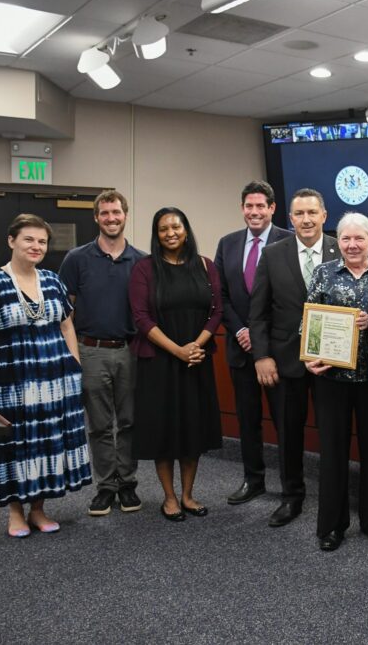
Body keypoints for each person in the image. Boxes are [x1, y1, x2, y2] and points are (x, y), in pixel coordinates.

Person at [0, 214, 92, 537]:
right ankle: (15, 513)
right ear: (11, 241)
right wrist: (7, 355)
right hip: (14, 383)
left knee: (48, 444)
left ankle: (38, 509)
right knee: (16, 445)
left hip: (56, 380)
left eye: (42, 241)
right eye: (29, 239)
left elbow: (66, 324)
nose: (36, 246)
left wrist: (73, 363)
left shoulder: (51, 280)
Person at [250, 188, 340, 527]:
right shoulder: (273, 254)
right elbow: (257, 313)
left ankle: (333, 499)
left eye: (312, 213)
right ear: (290, 218)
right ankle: (292, 497)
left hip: (332, 362)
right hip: (284, 362)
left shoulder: (340, 247)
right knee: (288, 434)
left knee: (332, 434)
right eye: (299, 214)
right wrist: (262, 356)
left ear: (323, 216)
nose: (306, 219)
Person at [128, 207, 223, 522]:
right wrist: (177, 351)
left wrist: (196, 345)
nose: (170, 233)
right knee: (164, 431)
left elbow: (216, 311)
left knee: (192, 430)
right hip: (159, 362)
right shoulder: (145, 269)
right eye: (163, 229)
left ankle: (188, 495)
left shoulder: (205, 266)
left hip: (196, 359)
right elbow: (141, 318)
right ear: (156, 235)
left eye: (176, 227)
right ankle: (169, 497)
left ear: (186, 229)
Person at [303, 212, 368, 551]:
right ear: (339, 243)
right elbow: (309, 318)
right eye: (346, 239)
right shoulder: (324, 272)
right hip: (331, 378)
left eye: (359, 238)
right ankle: (332, 526)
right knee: (333, 452)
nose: (352, 245)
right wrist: (310, 356)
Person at [59, 190, 145, 517]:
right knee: (97, 424)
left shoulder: (140, 260)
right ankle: (106, 486)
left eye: (116, 212)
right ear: (96, 217)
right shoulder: (76, 259)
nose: (111, 218)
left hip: (129, 351)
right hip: (90, 350)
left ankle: (127, 483)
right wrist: (73, 354)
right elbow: (65, 310)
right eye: (105, 213)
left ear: (125, 215)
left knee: (128, 422)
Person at [214, 181, 291, 506]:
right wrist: (240, 330)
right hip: (240, 349)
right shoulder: (227, 243)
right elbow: (220, 296)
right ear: (243, 208)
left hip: (277, 352)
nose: (255, 212)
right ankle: (253, 480)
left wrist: (260, 336)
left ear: (272, 208)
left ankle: (291, 487)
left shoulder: (288, 240)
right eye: (249, 206)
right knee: (248, 421)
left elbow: (291, 298)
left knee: (284, 422)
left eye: (261, 206)